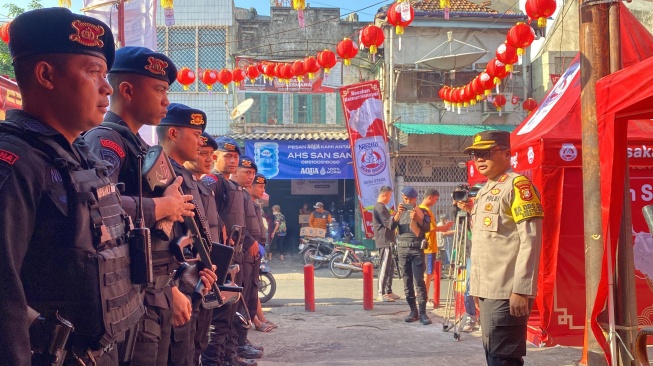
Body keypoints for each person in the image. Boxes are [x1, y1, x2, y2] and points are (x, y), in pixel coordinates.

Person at [0, 8, 144, 365]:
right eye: (93, 71)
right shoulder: (15, 164)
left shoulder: (78, 158)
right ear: (46, 74)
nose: (106, 87)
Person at [84, 46, 199, 366]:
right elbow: (98, 206)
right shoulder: (105, 141)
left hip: (155, 290)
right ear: (128, 90)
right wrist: (161, 207)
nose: (166, 100)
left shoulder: (141, 148)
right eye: (159, 89)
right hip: (132, 293)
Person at [461, 130, 544, 366]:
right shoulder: (485, 190)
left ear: (507, 154)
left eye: (486, 153)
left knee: (504, 359)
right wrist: (476, 289)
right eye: (476, 154)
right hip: (487, 290)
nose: (479, 159)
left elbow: (530, 239)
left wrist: (522, 289)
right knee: (493, 355)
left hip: (507, 291)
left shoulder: (518, 186)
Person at [155, 103, 219, 366]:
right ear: (172, 134)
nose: (200, 140)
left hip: (192, 280)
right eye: (195, 133)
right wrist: (169, 289)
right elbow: (156, 240)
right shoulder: (160, 173)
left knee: (192, 351)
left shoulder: (185, 176)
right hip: (172, 284)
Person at [201, 137, 261, 366]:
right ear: (216, 157)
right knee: (220, 314)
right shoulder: (212, 181)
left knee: (232, 310)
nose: (233, 160)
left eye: (236, 156)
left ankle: (229, 356)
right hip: (221, 256)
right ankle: (215, 359)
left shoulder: (232, 185)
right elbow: (208, 212)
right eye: (228, 156)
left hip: (235, 255)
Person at [184, 131, 227, 365]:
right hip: (191, 271)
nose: (209, 159)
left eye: (212, 154)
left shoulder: (205, 185)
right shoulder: (182, 181)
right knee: (187, 339)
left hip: (209, 268)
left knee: (201, 334)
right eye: (203, 153)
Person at [232, 156, 264, 362]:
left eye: (253, 173)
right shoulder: (232, 192)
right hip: (241, 255)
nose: (251, 177)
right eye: (247, 172)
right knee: (239, 301)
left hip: (252, 257)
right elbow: (236, 225)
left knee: (250, 296)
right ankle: (236, 346)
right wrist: (250, 242)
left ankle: (242, 341)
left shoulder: (245, 196)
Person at [393, 186, 432, 325]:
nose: (407, 200)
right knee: (407, 283)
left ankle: (423, 314)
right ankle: (413, 311)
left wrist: (418, 218)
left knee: (419, 283)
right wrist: (397, 215)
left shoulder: (422, 211)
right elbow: (390, 227)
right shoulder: (400, 211)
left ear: (415, 198)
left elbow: (427, 228)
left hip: (416, 250)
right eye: (405, 198)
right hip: (403, 250)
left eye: (409, 198)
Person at [421, 190, 454, 309]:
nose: (436, 202)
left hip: (429, 246)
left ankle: (421, 295)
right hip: (429, 246)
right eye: (436, 199)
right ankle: (424, 298)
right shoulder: (425, 210)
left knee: (427, 273)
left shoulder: (422, 209)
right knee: (428, 274)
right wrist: (444, 227)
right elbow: (431, 229)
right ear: (430, 197)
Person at [372, 186, 400, 302]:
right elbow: (390, 224)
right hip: (384, 241)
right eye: (389, 196)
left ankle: (388, 291)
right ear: (384, 194)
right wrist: (398, 214)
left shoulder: (383, 207)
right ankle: (381, 293)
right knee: (384, 267)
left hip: (389, 241)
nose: (389, 198)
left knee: (390, 267)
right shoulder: (380, 208)